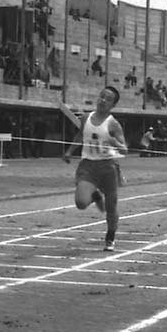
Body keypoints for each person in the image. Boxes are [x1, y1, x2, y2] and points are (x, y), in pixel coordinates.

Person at [62, 85, 128, 252]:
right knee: (81, 203)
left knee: (111, 208)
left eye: (107, 99)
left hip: (107, 168)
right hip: (88, 166)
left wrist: (114, 143)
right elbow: (80, 135)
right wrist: (69, 151)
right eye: (102, 96)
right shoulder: (85, 118)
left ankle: (110, 236)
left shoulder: (113, 124)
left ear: (113, 105)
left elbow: (124, 149)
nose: (102, 100)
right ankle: (95, 196)